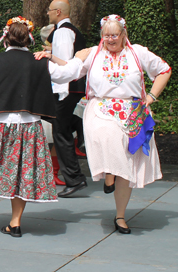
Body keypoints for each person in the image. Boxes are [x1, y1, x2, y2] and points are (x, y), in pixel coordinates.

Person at [37, 14, 171, 234]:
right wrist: (49, 58)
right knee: (107, 136)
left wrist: (151, 97)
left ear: (123, 34)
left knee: (126, 168)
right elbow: (69, 72)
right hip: (100, 109)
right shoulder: (93, 53)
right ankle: (109, 173)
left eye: (115, 35)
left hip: (131, 112)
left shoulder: (138, 52)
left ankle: (120, 216)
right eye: (106, 35)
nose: (110, 39)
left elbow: (164, 70)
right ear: (102, 35)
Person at [0, 16, 85, 238]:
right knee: (22, 172)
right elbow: (69, 74)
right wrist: (78, 58)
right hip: (26, 125)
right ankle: (15, 223)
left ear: (5, 38)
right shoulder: (40, 62)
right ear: (29, 39)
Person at [46, 0, 88, 197]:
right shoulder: (72, 31)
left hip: (67, 87)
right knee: (63, 126)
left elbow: (62, 65)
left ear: (58, 12)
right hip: (75, 88)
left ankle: (74, 178)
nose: (48, 13)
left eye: (50, 10)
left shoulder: (62, 32)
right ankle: (80, 130)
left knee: (60, 132)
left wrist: (60, 91)